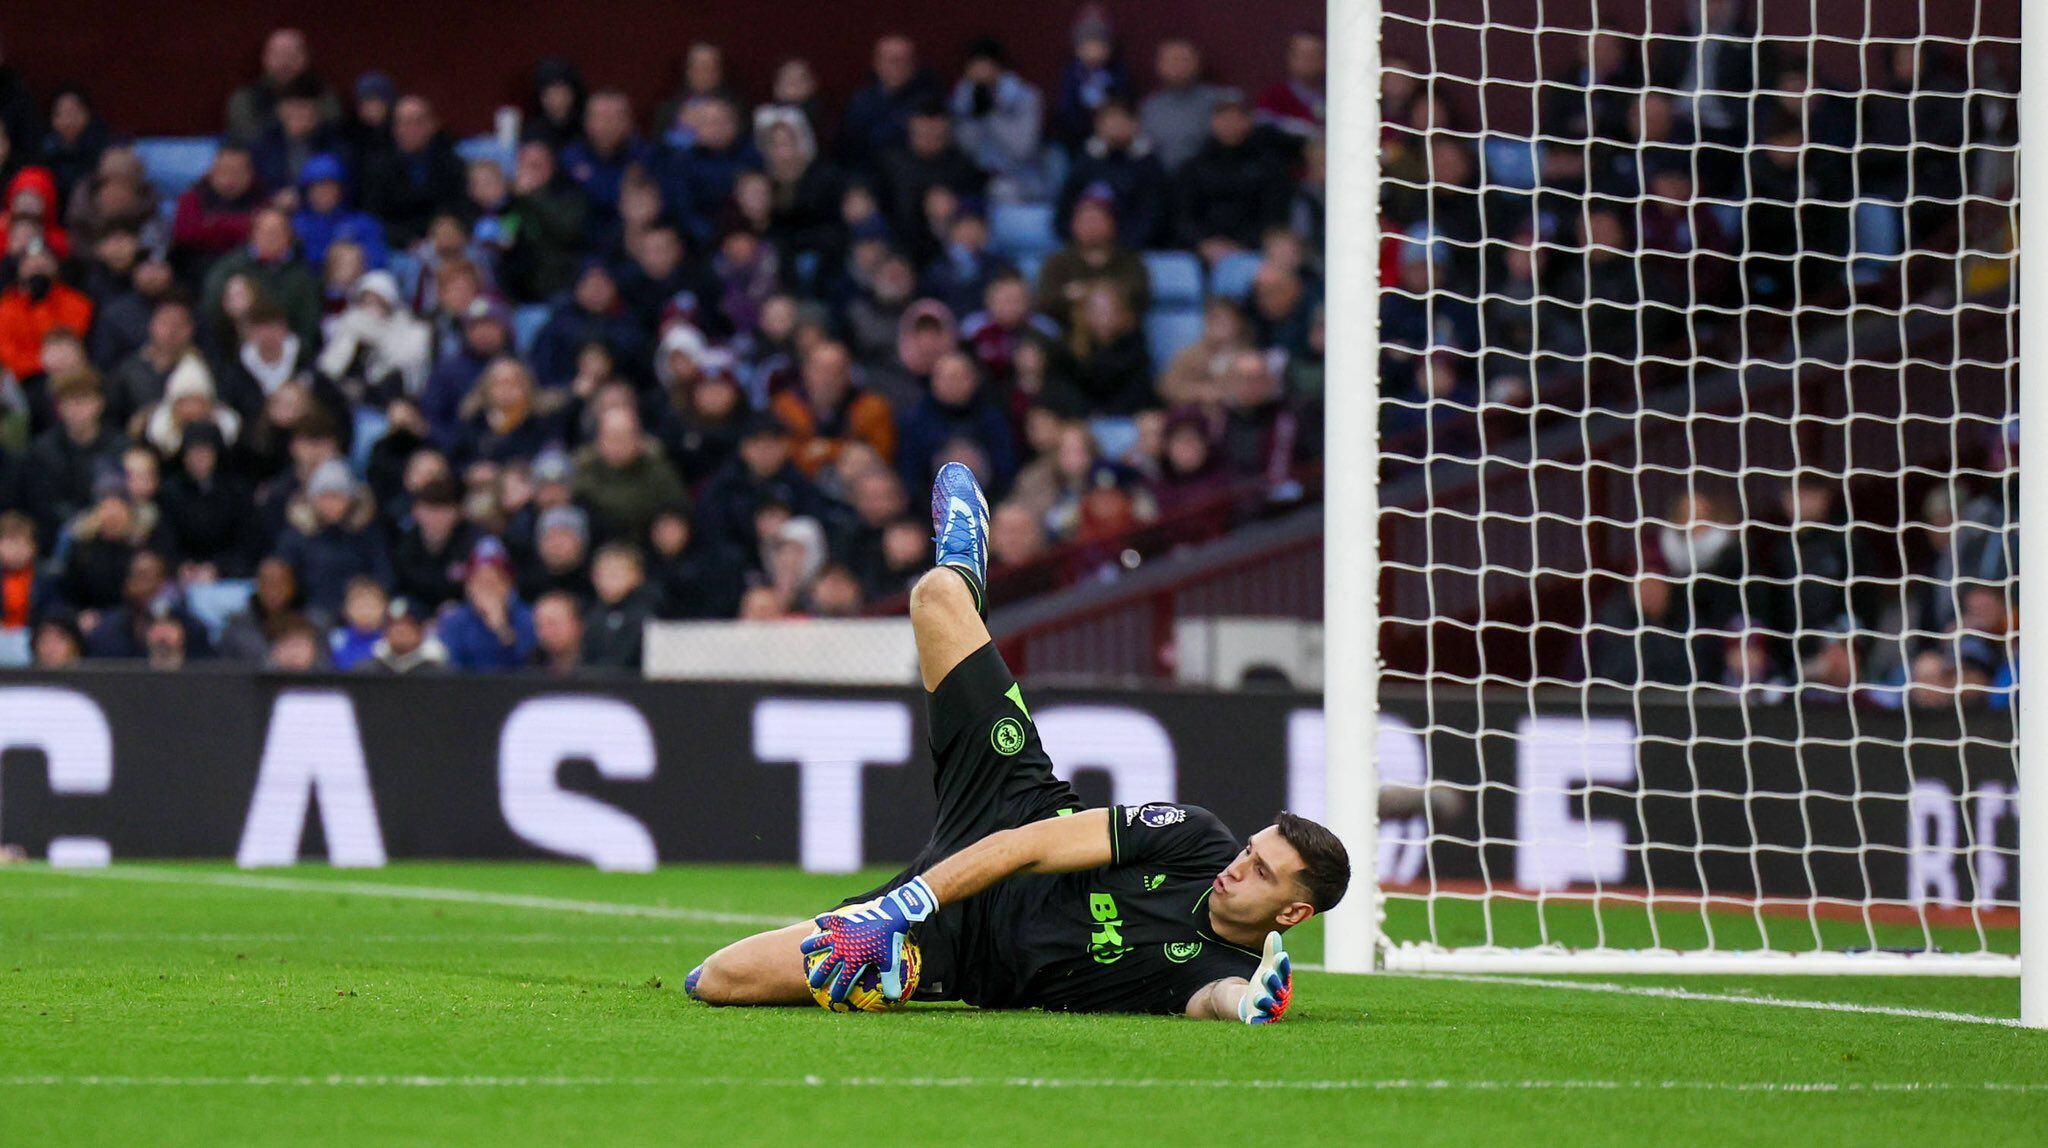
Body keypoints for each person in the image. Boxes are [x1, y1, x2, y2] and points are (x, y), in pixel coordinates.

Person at [688, 463, 1338, 1020]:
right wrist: (897, 908)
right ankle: (969, 569)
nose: (1237, 867)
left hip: (961, 947)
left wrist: (1252, 999)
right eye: (1252, 850)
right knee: (936, 595)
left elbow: (1218, 996)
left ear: (1293, 914)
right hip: (1010, 807)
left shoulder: (1222, 967)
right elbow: (1028, 846)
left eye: (1260, 871)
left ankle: (898, 974)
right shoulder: (1196, 839)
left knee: (718, 980)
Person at [362, 95, 467, 248]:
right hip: (397, 247)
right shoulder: (378, 167)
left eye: (417, 122)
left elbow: (461, 207)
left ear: (432, 125)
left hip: (445, 242)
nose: (409, 130)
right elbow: (373, 217)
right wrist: (407, 240)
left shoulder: (452, 163)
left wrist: (445, 231)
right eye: (403, 123)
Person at [438, 535, 536, 671]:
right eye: (477, 582)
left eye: (491, 582)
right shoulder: (454, 620)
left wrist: (501, 628)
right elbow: (452, 668)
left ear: (507, 585)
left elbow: (529, 665)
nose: (483, 590)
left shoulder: (528, 618)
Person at [1140, 39, 1225, 172]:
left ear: (1197, 64)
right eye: (1172, 60)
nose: (1178, 66)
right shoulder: (1148, 107)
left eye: (1184, 60)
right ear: (1159, 65)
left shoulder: (1217, 101)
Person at [581, 542, 657, 670]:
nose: (607, 580)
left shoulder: (645, 616)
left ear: (637, 576)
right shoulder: (592, 615)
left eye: (615, 574)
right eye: (601, 574)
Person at [363, 595, 448, 673]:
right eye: (393, 625)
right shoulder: (369, 671)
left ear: (421, 629)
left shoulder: (438, 672)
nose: (400, 631)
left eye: (407, 624)